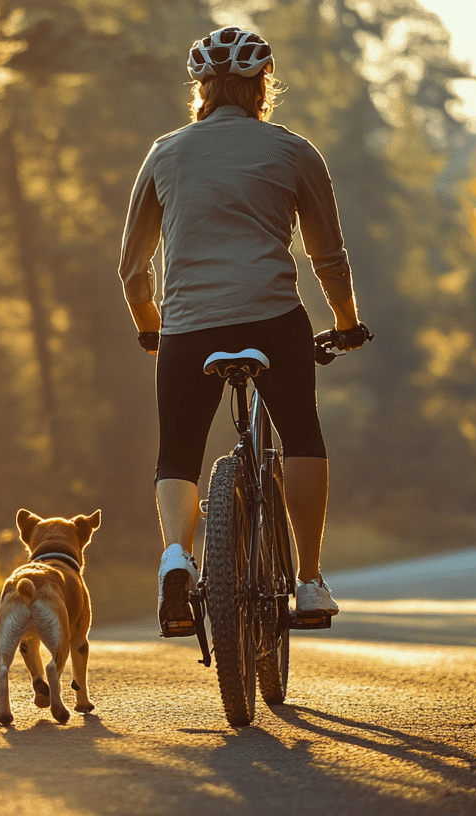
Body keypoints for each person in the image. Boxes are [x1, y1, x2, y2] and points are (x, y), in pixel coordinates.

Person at [115, 26, 372, 637]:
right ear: (262, 88)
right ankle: (308, 580)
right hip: (273, 321)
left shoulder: (165, 153)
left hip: (187, 327)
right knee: (302, 432)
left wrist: (154, 331)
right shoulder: (294, 151)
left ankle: (177, 558)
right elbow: (327, 257)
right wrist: (345, 323)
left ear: (201, 89)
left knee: (177, 452)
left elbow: (132, 269)